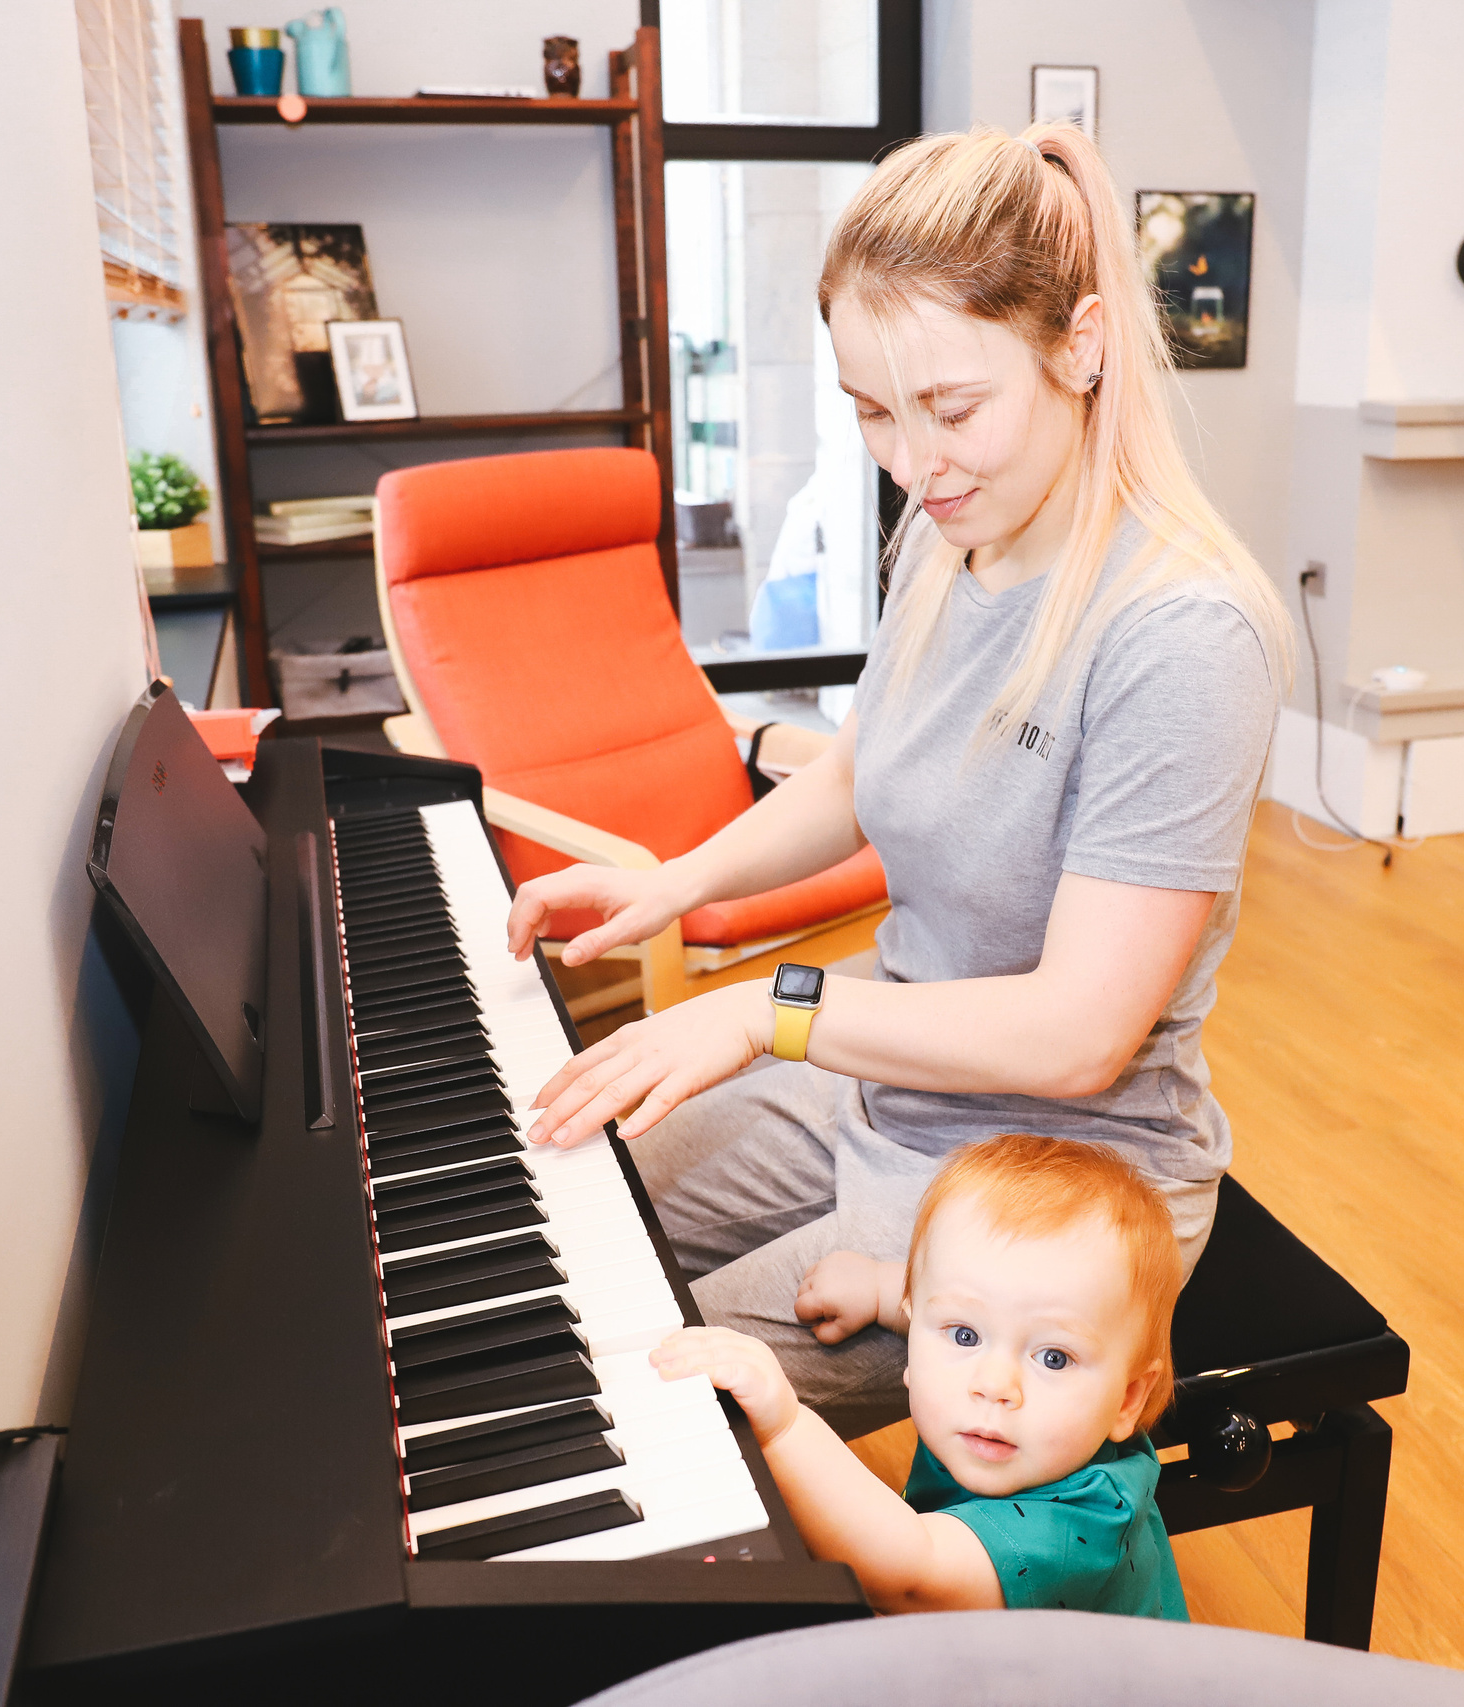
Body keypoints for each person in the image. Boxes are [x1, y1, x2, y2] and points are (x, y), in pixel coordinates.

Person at [505, 121, 1290, 1437]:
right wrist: (668, 886)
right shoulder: (949, 533)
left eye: (953, 407)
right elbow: (868, 768)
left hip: (1056, 1184)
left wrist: (768, 1011)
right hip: (888, 1061)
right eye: (873, 412)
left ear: (1081, 345)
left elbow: (1078, 1032)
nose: (911, 463)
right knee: (565, 1211)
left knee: (630, 1376)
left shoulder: (1182, 632)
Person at [652, 1135, 1190, 1618]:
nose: (994, 1385)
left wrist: (786, 1428)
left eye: (1053, 1358)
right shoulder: (1018, 1430)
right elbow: (966, 1304)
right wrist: (884, 1292)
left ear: (1127, 1400)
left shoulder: (1076, 1531)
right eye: (964, 1335)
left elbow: (909, 1573)